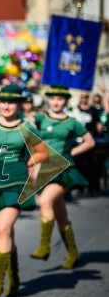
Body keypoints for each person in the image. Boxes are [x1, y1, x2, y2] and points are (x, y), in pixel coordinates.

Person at [0, 84, 47, 297]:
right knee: (4, 232)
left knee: (4, 229)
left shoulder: (26, 126)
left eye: (11, 102)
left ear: (19, 104)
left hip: (17, 181)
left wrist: (28, 164)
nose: (6, 106)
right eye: (3, 101)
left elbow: (42, 152)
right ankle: (14, 278)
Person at [30, 84, 95, 269]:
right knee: (61, 216)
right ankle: (73, 253)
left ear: (65, 100)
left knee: (44, 203)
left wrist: (71, 152)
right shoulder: (40, 119)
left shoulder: (72, 122)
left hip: (63, 170)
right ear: (48, 100)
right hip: (44, 169)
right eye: (53, 98)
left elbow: (89, 142)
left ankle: (44, 246)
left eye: (60, 99)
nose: (56, 102)